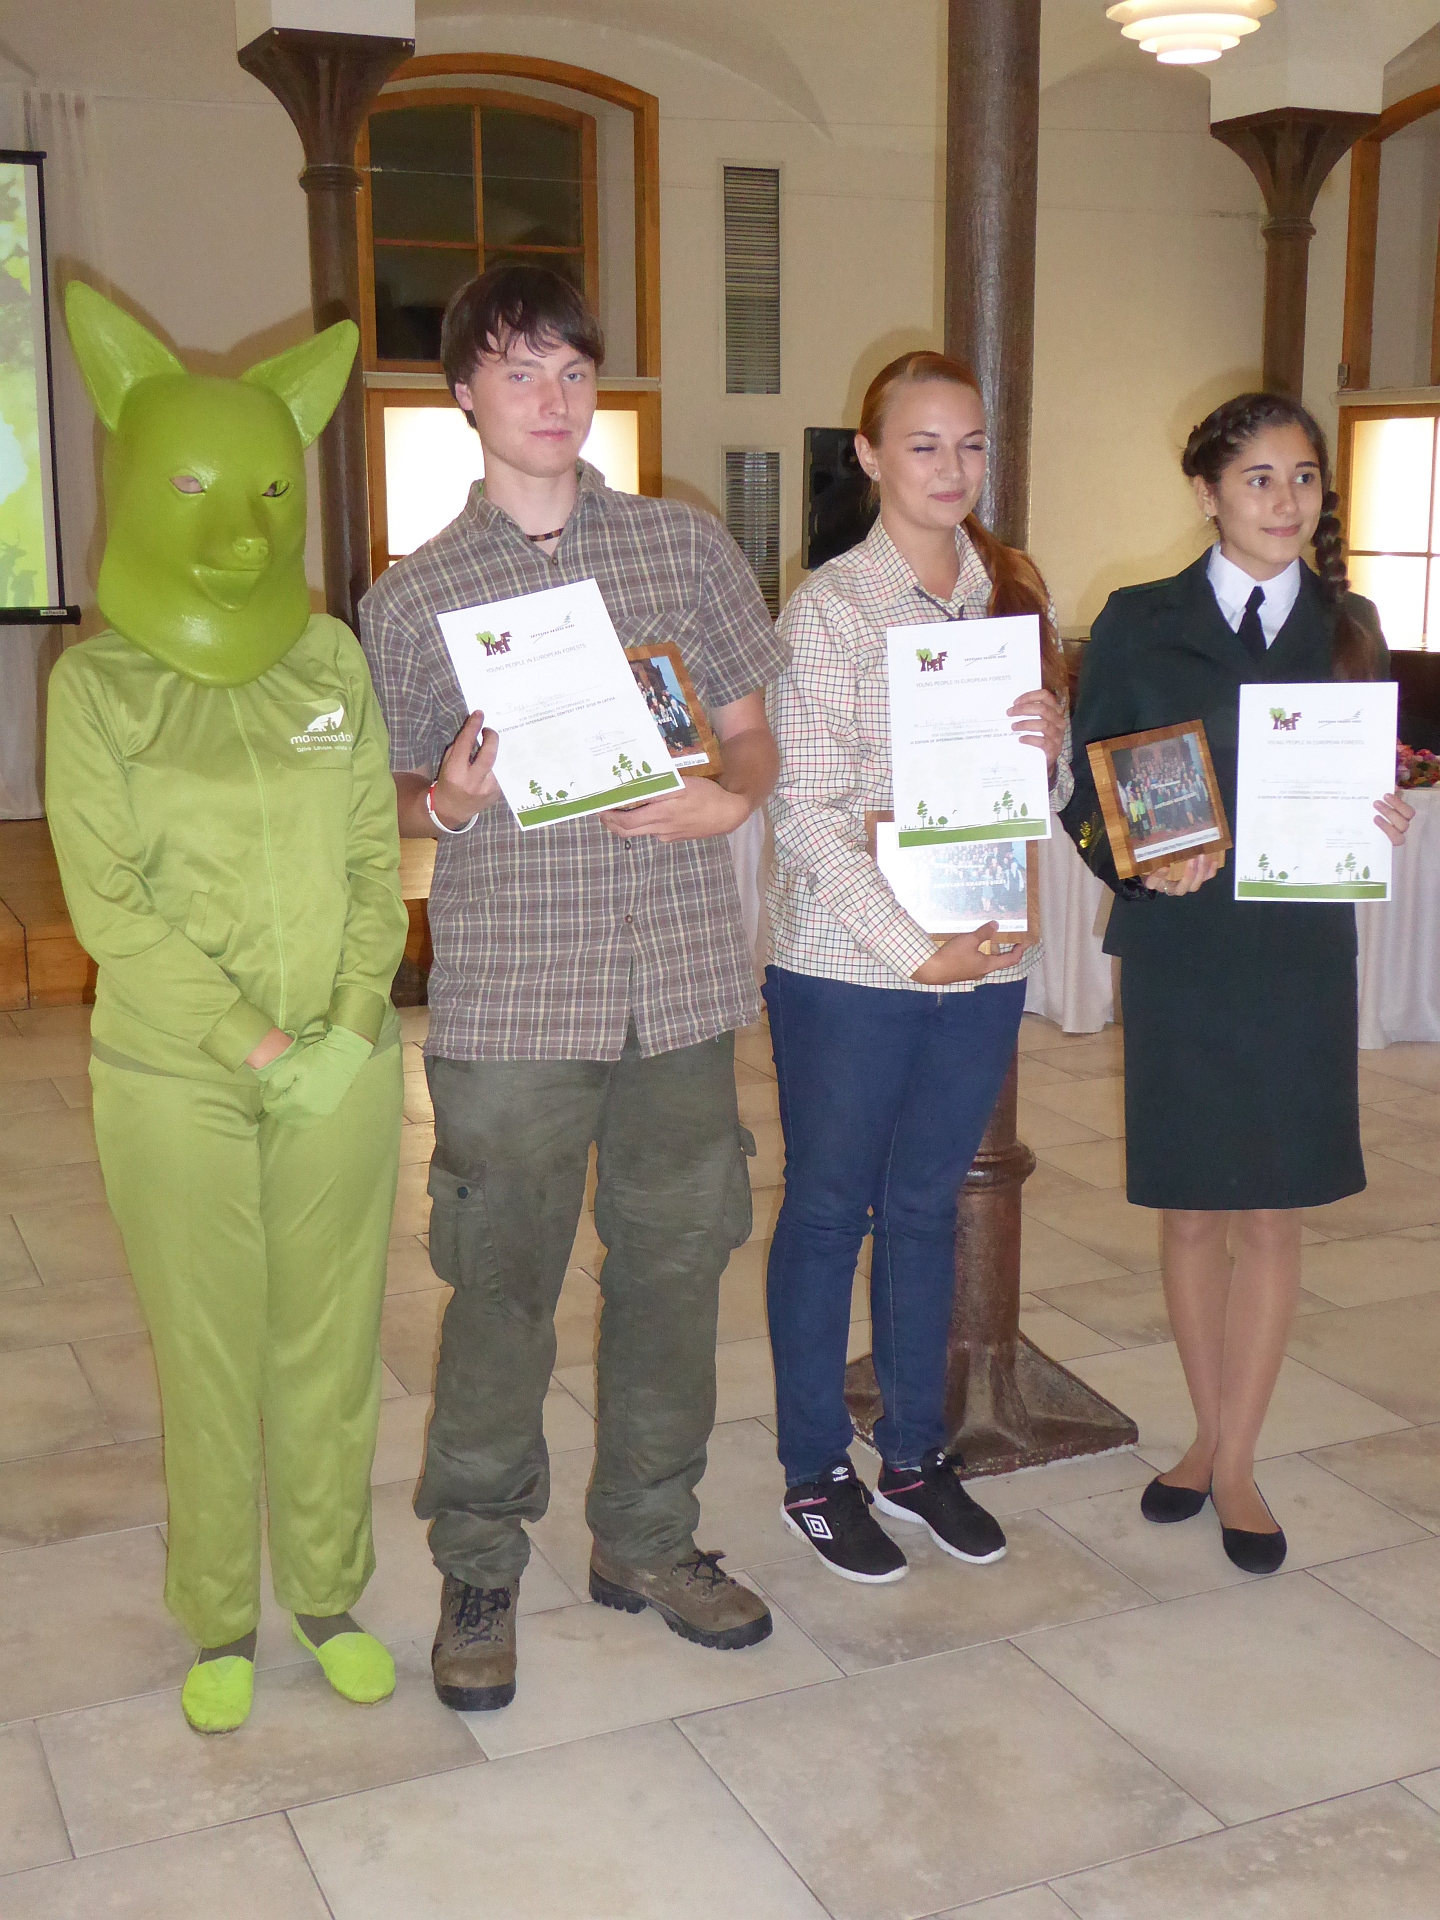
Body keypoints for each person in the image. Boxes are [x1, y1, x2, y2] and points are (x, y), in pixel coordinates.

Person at [359, 264, 786, 1711]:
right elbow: (395, 794)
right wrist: (452, 797)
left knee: (674, 1265)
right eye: (518, 369)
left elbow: (750, 734)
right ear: (464, 394)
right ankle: (479, 1560)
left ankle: (647, 1539)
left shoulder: (682, 547)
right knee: (500, 1283)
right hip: (514, 998)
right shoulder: (413, 597)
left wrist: (732, 798)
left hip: (679, 985)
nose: (552, 398)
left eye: (572, 369)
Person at [46, 287, 408, 1733]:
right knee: (208, 1349)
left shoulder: (330, 663)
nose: (243, 522)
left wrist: (351, 1024)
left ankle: (326, 1594)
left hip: (343, 1063)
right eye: (199, 485)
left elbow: (376, 861)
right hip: (174, 1075)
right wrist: (254, 1044)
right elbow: (110, 907)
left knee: (330, 1343)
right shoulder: (96, 687)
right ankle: (217, 1614)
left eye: (263, 487)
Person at [1062, 391, 1414, 1575]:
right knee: (1191, 1205)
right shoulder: (1139, 619)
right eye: (1259, 478)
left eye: (1303, 477)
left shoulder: (1349, 624)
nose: (1285, 500)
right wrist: (1137, 862)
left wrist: (1382, 813)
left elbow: (1365, 777)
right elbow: (1089, 788)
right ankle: (1206, 1438)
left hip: (1296, 953)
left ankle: (1236, 1459)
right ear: (1207, 491)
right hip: (1183, 948)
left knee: (1271, 1210)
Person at [763, 350, 1071, 1583]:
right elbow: (805, 814)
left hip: (982, 958)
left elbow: (1032, 794)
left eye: (972, 444)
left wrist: (1049, 743)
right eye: (926, 444)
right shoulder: (831, 609)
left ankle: (911, 1453)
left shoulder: (1008, 594)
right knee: (830, 1207)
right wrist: (911, 949)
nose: (954, 469)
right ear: (872, 456)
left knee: (928, 1207)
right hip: (851, 967)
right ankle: (812, 1470)